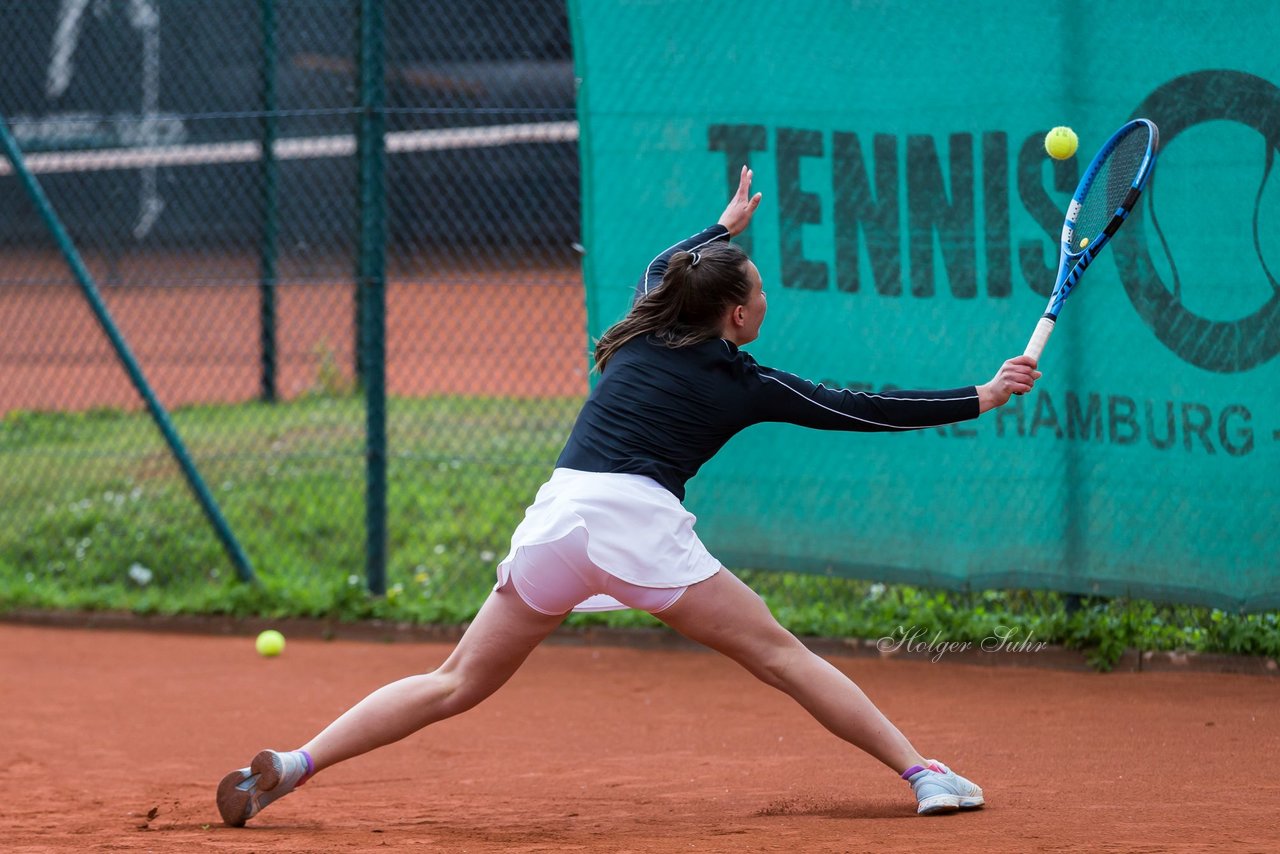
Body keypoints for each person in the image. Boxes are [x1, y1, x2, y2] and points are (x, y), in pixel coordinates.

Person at [216, 166, 1041, 825]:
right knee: (782, 657)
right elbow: (864, 409)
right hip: (638, 528)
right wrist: (981, 395)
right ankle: (924, 775)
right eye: (755, 290)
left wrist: (722, 230)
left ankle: (294, 765)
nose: (765, 299)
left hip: (557, 518)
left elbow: (663, 265)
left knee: (454, 681)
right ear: (732, 316)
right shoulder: (746, 381)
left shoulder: (649, 318)